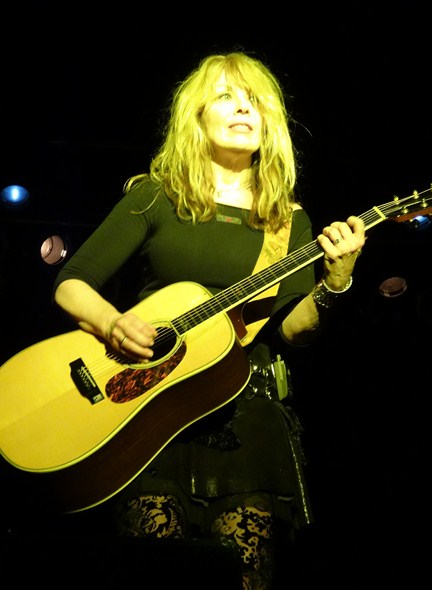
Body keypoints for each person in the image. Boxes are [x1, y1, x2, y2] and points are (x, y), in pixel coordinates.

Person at [52, 51, 365, 589]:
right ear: (196, 116)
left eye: (255, 101)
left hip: (243, 414)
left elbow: (295, 330)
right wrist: (111, 323)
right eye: (226, 97)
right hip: (150, 408)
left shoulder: (287, 221)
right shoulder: (157, 196)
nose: (244, 109)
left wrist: (335, 282)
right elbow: (72, 282)